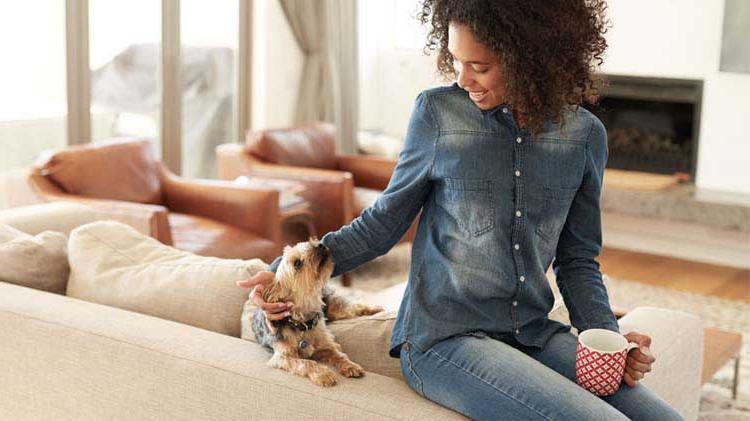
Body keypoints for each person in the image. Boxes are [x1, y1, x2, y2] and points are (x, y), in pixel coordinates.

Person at [237, 0, 682, 419]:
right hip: (444, 340)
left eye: (480, 66)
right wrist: (283, 274)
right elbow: (383, 223)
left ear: (532, 62)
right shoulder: (438, 114)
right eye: (457, 60)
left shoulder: (585, 137)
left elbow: (578, 259)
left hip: (532, 331)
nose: (463, 78)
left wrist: (607, 338)